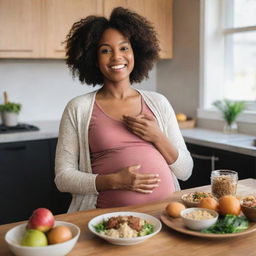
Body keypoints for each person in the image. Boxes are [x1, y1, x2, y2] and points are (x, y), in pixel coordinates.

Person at [55, 7, 193, 213]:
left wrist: (157, 137)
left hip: (166, 215)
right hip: (107, 222)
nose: (116, 57)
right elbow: (63, 178)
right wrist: (113, 182)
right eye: (105, 50)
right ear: (93, 58)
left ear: (135, 51)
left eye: (124, 48)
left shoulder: (158, 102)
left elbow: (185, 171)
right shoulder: (78, 108)